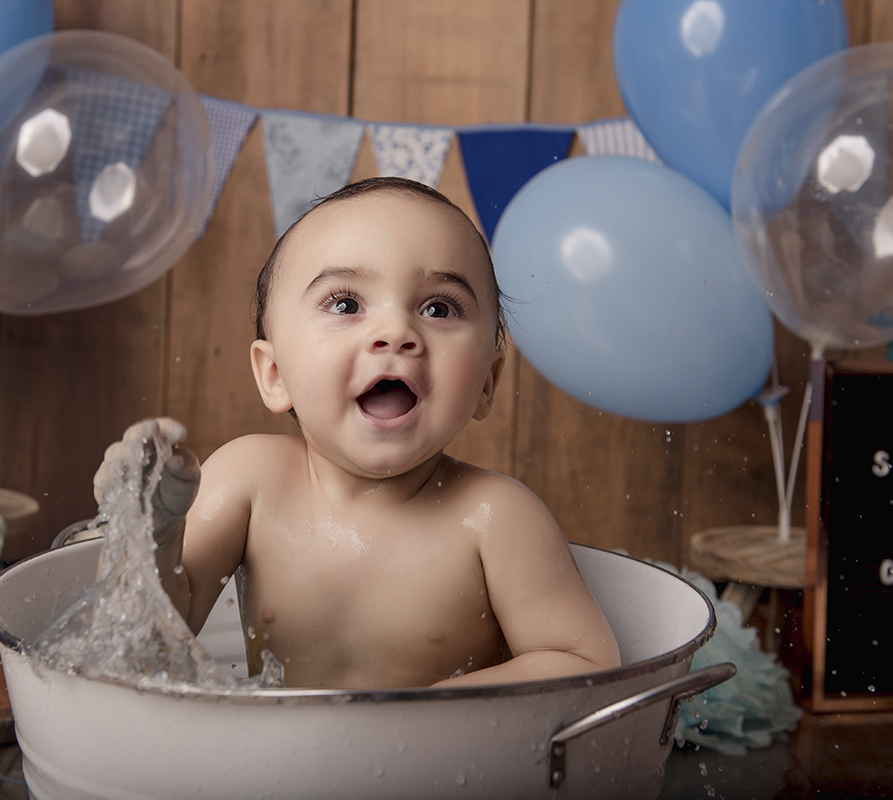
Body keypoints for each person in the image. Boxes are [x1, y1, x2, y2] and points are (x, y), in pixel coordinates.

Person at [95, 177, 620, 690]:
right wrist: (152, 533)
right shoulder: (251, 480)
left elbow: (585, 661)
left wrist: (447, 706)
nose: (396, 332)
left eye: (438, 308)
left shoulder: (497, 517)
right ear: (275, 376)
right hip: (272, 750)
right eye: (346, 304)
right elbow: (150, 641)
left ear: (486, 383)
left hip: (446, 752)